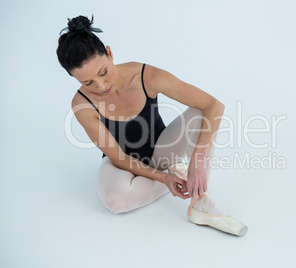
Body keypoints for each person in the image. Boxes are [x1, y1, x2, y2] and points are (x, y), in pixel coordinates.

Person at [57, 14, 247, 236]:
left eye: (103, 72)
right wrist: (164, 178)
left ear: (109, 53)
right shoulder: (82, 104)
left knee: (199, 113)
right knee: (116, 202)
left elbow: (214, 105)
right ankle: (178, 178)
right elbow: (119, 157)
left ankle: (200, 203)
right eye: (87, 82)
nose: (101, 85)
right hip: (119, 163)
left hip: (161, 151)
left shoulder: (146, 76)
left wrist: (197, 159)